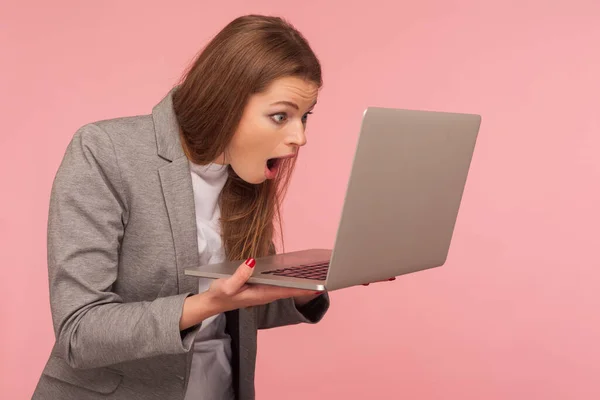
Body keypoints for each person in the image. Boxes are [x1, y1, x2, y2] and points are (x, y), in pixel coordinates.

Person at [33, 14, 393, 400]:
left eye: (304, 117)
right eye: (280, 116)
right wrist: (205, 304)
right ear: (226, 101)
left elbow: (245, 309)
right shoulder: (105, 152)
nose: (300, 137)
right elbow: (80, 333)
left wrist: (309, 285)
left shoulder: (245, 176)